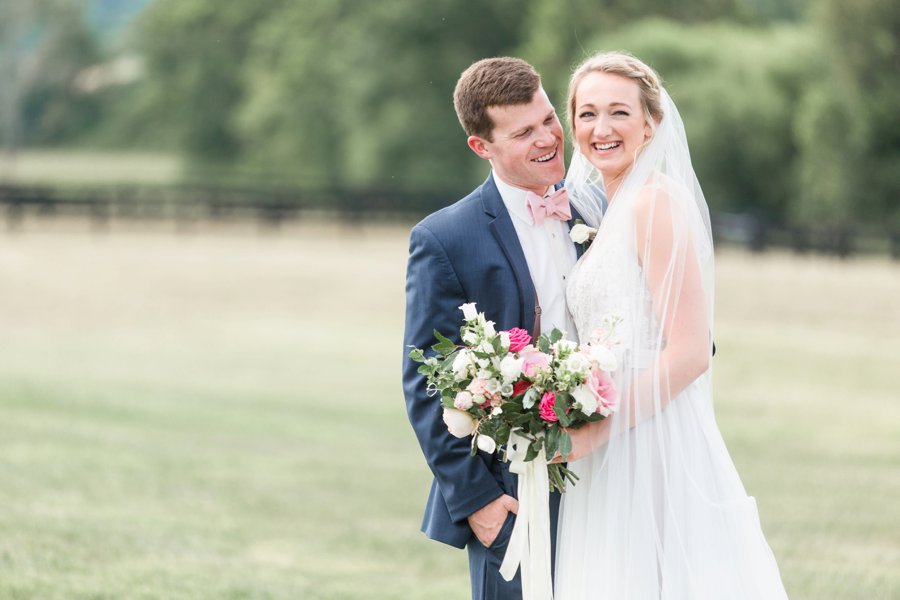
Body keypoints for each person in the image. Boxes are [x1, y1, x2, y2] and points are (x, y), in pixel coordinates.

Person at [554, 51, 789, 598]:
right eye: (586, 114)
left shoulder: (654, 205)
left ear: (650, 124)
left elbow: (690, 351)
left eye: (619, 113)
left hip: (653, 439)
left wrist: (598, 430)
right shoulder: (609, 210)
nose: (601, 129)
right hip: (611, 433)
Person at [402, 57, 583, 600]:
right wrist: (477, 500)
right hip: (513, 489)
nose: (549, 138)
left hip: (612, 472)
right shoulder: (445, 238)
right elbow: (425, 381)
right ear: (483, 147)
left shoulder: (600, 210)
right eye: (524, 132)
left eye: (549, 118)